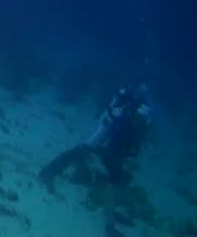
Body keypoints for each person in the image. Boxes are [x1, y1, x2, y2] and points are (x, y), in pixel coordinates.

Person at [39, 84, 153, 236]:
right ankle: (109, 224)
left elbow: (111, 125)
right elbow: (136, 137)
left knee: (81, 152)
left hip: (106, 139)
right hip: (111, 144)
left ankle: (48, 172)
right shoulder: (136, 111)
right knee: (113, 182)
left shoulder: (128, 106)